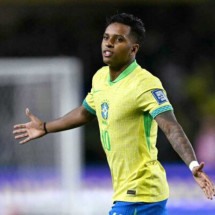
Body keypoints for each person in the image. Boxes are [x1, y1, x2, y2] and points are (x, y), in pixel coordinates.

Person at [13, 13, 215, 215]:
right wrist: (46, 127)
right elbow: (85, 112)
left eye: (119, 39)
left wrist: (193, 165)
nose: (109, 43)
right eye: (106, 37)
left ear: (133, 49)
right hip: (128, 191)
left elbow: (171, 127)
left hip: (140, 191)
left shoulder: (144, 83)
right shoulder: (100, 78)